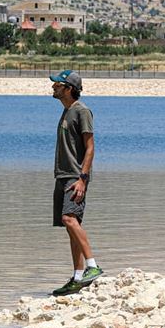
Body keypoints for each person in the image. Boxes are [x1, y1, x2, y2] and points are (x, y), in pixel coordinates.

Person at [49, 69, 103, 296]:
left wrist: (82, 178)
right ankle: (78, 277)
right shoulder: (66, 111)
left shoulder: (82, 111)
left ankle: (93, 266)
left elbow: (90, 147)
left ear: (69, 88)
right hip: (62, 176)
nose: (53, 87)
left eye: (58, 85)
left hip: (75, 176)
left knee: (69, 219)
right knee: (70, 228)